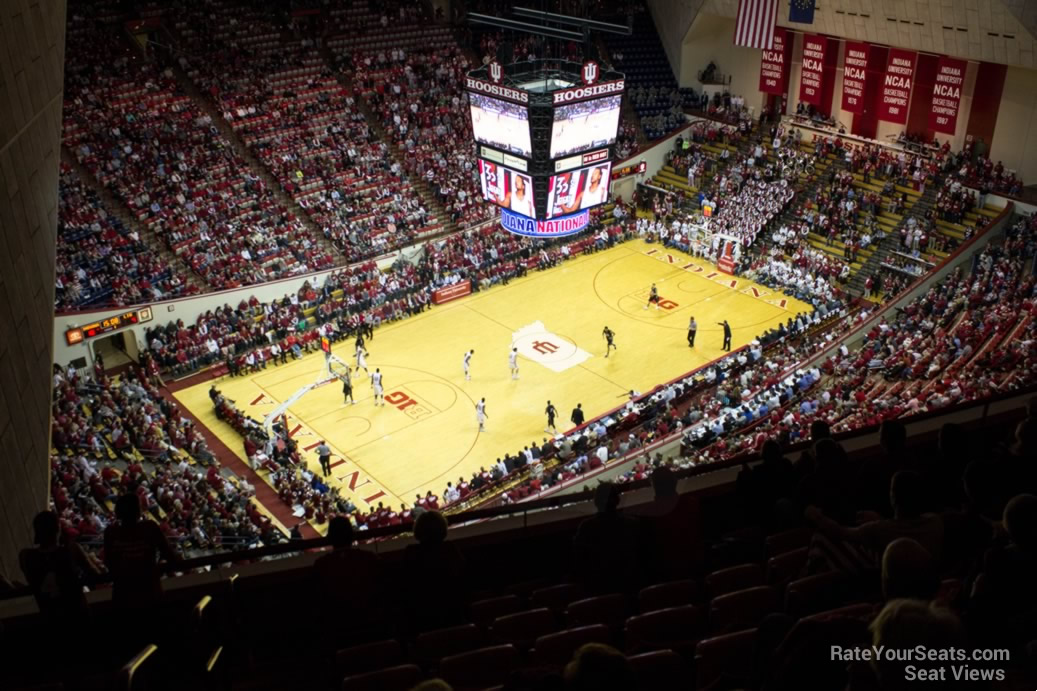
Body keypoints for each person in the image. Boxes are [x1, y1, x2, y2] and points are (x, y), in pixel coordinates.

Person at [20, 510, 100, 623]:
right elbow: (95, 575)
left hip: (49, 618)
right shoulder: (72, 550)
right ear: (57, 529)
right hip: (77, 615)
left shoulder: (26, 557)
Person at [103, 493, 179, 610]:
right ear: (137, 511)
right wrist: (158, 568)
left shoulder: (110, 532)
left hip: (122, 594)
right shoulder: (150, 527)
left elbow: (108, 561)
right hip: (150, 591)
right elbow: (170, 555)